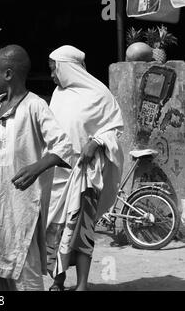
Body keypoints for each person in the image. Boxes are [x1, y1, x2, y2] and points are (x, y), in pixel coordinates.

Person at [0, 45, 74, 291]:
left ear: (9, 74)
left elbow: (64, 146)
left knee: (23, 267)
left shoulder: (35, 106)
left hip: (20, 206)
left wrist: (37, 168)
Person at [46, 45, 124, 291]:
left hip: (86, 174)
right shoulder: (58, 94)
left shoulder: (99, 94)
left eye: (54, 69)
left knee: (83, 231)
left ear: (67, 67)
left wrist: (96, 142)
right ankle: (58, 281)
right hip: (58, 173)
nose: (52, 75)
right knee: (55, 230)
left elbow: (114, 127)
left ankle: (81, 285)